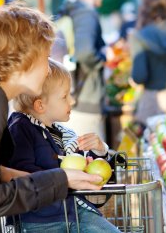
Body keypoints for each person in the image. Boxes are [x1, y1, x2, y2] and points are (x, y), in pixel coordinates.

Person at [0, 1, 103, 221]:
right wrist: (61, 180)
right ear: (25, 57)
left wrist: (55, 179)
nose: (48, 68)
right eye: (45, 57)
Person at [8, 59, 121, 232]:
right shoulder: (20, 129)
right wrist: (63, 177)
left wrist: (100, 151)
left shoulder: (62, 133)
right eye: (65, 96)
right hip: (39, 222)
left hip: (75, 212)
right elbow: (23, 177)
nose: (73, 101)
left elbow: (88, 170)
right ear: (40, 105)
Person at [58, 0, 107, 139]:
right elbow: (85, 53)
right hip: (86, 100)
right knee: (94, 159)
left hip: (75, 98)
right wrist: (104, 56)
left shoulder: (71, 10)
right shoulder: (87, 14)